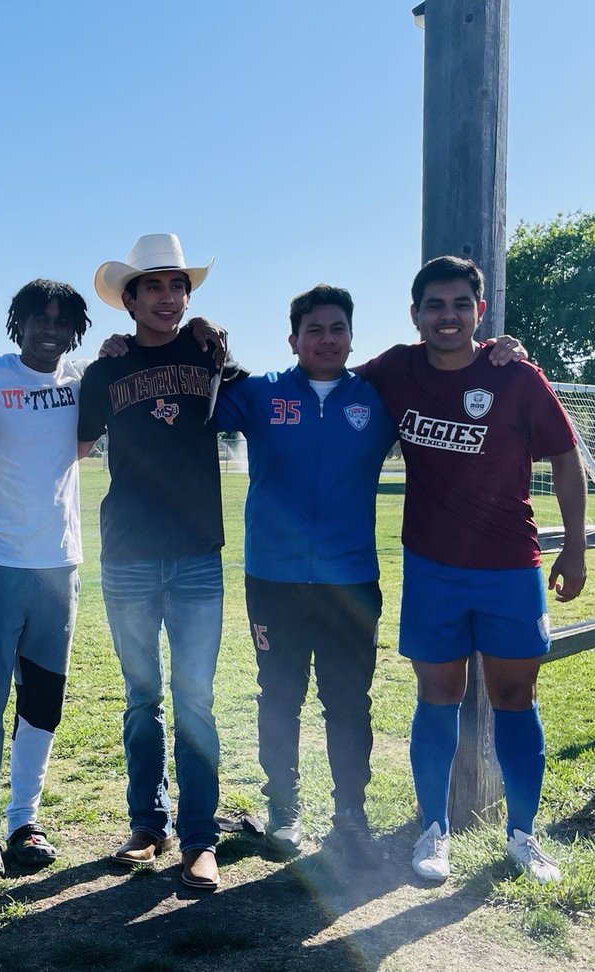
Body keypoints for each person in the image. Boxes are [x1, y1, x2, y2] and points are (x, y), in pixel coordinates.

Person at [358, 255, 587, 885]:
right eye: (435, 305)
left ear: (479, 312)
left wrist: (575, 546)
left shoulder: (515, 376)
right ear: (416, 315)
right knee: (439, 695)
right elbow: (326, 380)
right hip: (432, 567)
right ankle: (433, 831)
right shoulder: (395, 370)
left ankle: (522, 836)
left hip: (510, 566)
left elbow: (566, 460)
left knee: (515, 696)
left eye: (461, 304)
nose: (448, 316)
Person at [77, 233, 245, 892]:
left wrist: (220, 336)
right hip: (128, 556)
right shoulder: (106, 369)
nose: (169, 298)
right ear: (131, 298)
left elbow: (260, 399)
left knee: (195, 701)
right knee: (142, 698)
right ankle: (148, 825)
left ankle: (200, 842)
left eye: (179, 286)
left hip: (198, 553)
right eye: (155, 286)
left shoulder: (209, 353)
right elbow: (71, 443)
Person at [214, 285, 396, 864]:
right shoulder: (262, 394)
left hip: (351, 581)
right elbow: (195, 395)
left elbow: (446, 377)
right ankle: (284, 812)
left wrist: (502, 351)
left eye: (336, 327)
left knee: (348, 702)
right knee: (280, 696)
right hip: (275, 578)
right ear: (293, 338)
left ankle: (350, 817)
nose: (326, 338)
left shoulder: (378, 398)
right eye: (313, 329)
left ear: (351, 335)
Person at [0, 280, 92, 882]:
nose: (51, 330)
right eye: (39, 318)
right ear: (18, 323)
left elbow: (146, 360)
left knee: (42, 700)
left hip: (58, 566)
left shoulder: (86, 380)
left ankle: (24, 821)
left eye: (63, 321)